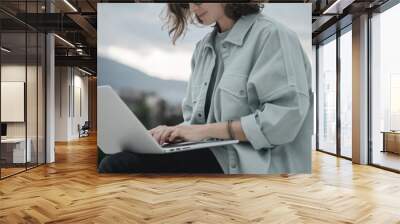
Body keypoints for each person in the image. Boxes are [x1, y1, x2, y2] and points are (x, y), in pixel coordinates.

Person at [99, 3, 313, 174]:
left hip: (251, 162)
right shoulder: (203, 49)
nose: (193, 8)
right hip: (212, 151)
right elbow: (194, 122)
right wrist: (172, 132)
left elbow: (283, 122)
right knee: (118, 159)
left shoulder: (273, 36)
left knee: (119, 166)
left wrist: (200, 131)